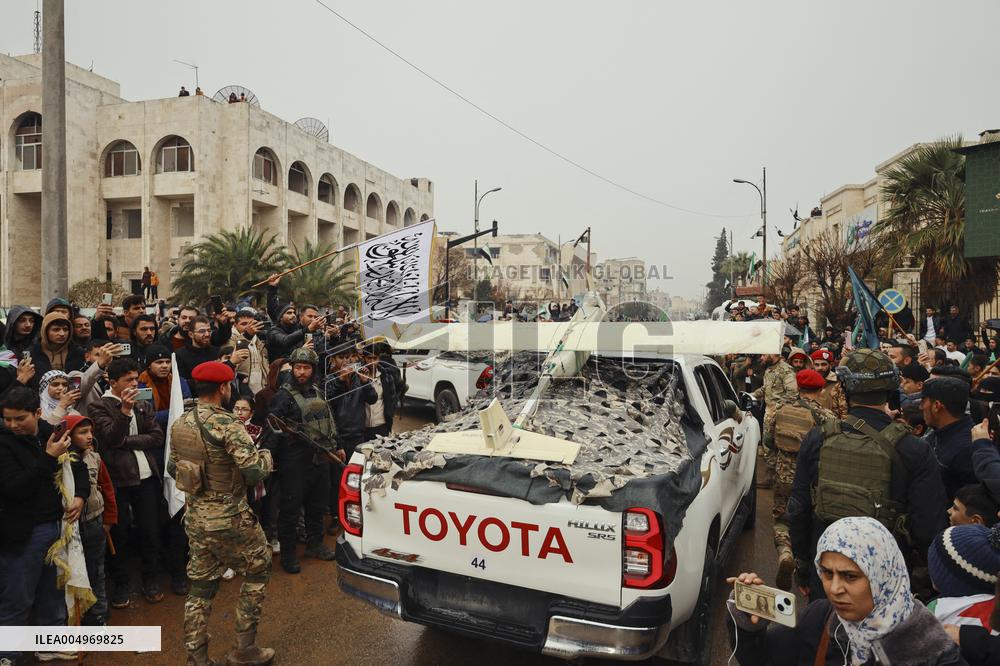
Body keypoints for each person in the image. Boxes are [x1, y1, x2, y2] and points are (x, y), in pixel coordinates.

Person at [787, 349, 948, 600]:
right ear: (891, 387)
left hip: (828, 572)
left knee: (825, 634)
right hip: (884, 576)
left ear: (844, 387)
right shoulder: (914, 448)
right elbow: (928, 525)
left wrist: (804, 565)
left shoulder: (818, 437)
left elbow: (798, 507)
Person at [727, 517, 964, 666]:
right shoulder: (821, 617)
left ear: (883, 576)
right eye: (827, 574)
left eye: (850, 576)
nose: (834, 589)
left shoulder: (934, 652)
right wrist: (747, 624)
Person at [168, 361, 275, 666]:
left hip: (196, 518)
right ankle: (245, 649)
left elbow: (173, 468)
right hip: (229, 516)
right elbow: (254, 472)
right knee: (258, 569)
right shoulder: (229, 425)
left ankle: (197, 657)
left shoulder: (180, 424)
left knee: (200, 588)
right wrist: (267, 455)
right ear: (224, 388)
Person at [0, 387, 89, 664]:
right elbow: (14, 488)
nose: (12, 425)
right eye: (7, 419)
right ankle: (8, 653)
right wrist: (48, 458)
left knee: (53, 591)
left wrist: (80, 496)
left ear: (38, 413)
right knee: (17, 595)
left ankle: (49, 644)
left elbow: (79, 468)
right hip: (21, 533)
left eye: (20, 418)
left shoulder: (52, 433)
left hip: (58, 528)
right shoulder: (4, 445)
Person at [88, 357, 166, 607]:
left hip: (146, 477)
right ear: (113, 382)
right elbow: (110, 437)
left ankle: (150, 579)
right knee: (119, 534)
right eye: (129, 380)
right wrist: (123, 412)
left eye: (136, 378)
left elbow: (156, 436)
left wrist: (125, 443)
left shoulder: (143, 403)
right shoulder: (100, 406)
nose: (135, 383)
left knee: (150, 531)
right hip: (118, 480)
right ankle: (121, 583)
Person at [264, 347, 343, 573]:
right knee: (290, 509)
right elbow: (272, 428)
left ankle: (315, 544)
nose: (301, 372)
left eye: (306, 368)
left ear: (313, 370)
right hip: (294, 462)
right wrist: (268, 456)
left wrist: (338, 446)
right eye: (298, 367)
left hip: (321, 458)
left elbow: (330, 421)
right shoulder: (283, 396)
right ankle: (289, 554)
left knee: (317, 506)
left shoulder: (318, 392)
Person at [771, 368, 835, 590]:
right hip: (809, 477)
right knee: (805, 517)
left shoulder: (779, 408)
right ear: (820, 390)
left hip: (782, 471)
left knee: (781, 518)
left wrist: (774, 466)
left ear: (798, 388)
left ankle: (785, 553)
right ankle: (802, 563)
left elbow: (768, 440)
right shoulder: (827, 417)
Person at [62, 414, 118, 626]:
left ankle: (98, 617)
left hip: (94, 523)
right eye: (82, 432)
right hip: (69, 528)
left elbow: (107, 488)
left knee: (96, 572)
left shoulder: (95, 458)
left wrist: (108, 520)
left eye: (90, 432)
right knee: (73, 574)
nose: (89, 437)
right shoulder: (61, 460)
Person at [923, 377, 977, 499]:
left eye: (923, 401)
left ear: (936, 406)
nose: (921, 407)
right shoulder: (936, 434)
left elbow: (972, 500)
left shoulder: (967, 448)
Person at [752, 352, 799, 489]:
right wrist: (753, 395)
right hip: (768, 414)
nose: (761, 358)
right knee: (768, 445)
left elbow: (793, 394)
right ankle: (770, 476)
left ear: (773, 353)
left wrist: (777, 408)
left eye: (763, 355)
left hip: (780, 416)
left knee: (780, 445)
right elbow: (765, 388)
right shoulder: (769, 369)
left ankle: (780, 479)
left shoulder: (786, 370)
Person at [29, 311, 86, 380]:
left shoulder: (78, 352)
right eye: (56, 330)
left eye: (65, 329)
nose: (62, 334)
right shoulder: (32, 353)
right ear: (45, 331)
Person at [230, 310, 270, 394]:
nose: (249, 327)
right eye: (244, 324)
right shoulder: (230, 340)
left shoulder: (258, 341)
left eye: (251, 323)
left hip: (261, 390)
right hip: (242, 391)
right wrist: (247, 335)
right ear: (235, 325)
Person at [176, 316, 222, 383]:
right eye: (202, 331)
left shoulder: (217, 352)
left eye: (209, 330)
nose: (207, 334)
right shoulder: (179, 355)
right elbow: (182, 383)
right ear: (191, 334)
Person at [810, 349, 847, 418]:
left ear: (831, 365)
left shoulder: (838, 382)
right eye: (817, 365)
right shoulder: (809, 382)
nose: (820, 368)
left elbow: (844, 410)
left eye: (823, 364)